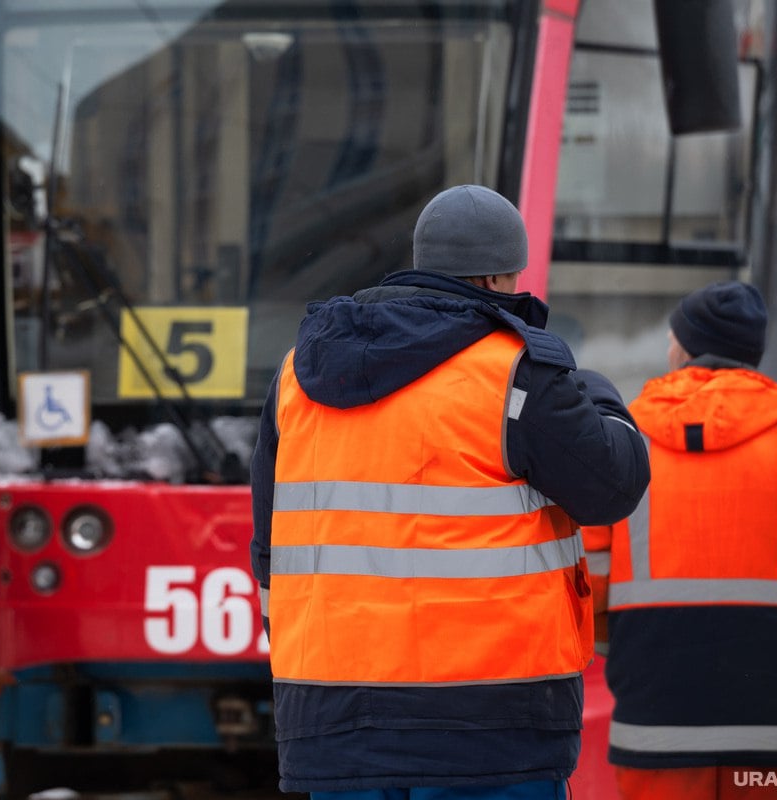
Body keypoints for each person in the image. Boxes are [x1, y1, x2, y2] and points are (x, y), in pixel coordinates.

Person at [249, 184, 651, 799]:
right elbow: (611, 487)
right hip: (489, 729)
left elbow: (270, 551)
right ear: (494, 280)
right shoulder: (514, 371)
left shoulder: (296, 375)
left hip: (334, 725)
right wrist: (600, 397)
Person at [583, 281, 777, 800]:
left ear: (681, 346)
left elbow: (588, 592)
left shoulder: (624, 447)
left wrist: (635, 650)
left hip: (656, 729)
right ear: (752, 355)